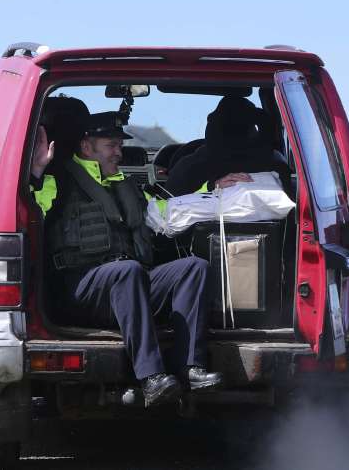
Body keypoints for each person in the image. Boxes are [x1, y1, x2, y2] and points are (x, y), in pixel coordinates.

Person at [30, 110, 224, 408]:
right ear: (87, 147)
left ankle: (189, 368)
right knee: (128, 270)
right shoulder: (59, 181)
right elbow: (33, 210)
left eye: (120, 145)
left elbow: (168, 210)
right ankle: (151, 377)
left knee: (194, 268)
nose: (119, 152)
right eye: (111, 145)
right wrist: (36, 173)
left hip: (129, 285)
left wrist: (215, 188)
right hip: (82, 288)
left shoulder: (127, 186)